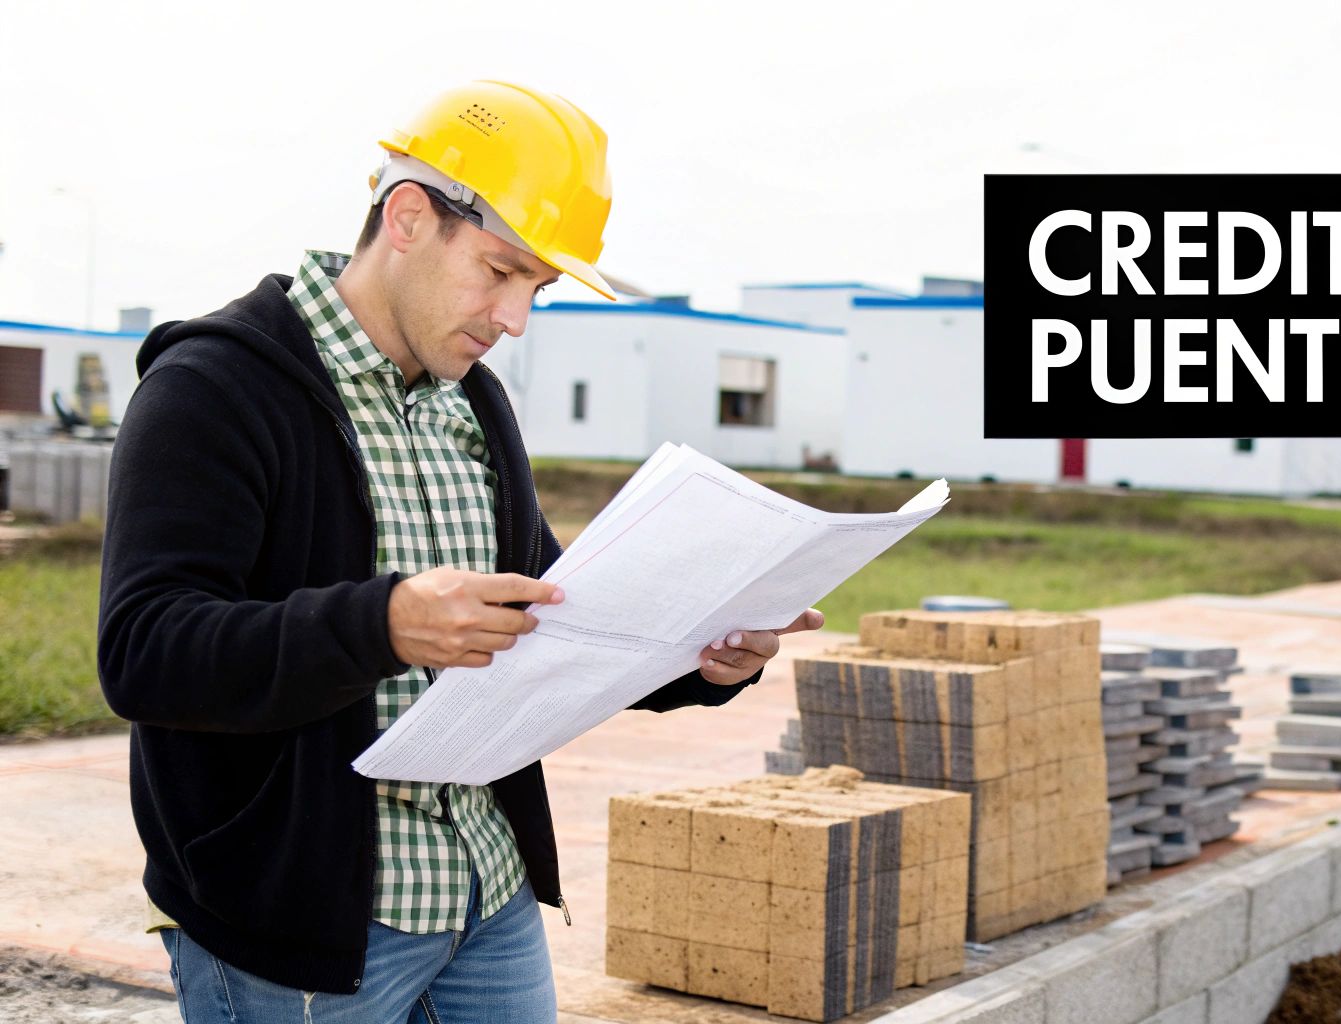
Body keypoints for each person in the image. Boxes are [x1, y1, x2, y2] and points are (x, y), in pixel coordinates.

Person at [97, 79, 822, 1023]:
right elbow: (145, 651)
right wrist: (383, 624)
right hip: (299, 920)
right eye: (500, 271)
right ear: (407, 218)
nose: (514, 318)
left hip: (486, 885)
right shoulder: (212, 388)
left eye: (537, 288)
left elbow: (558, 616)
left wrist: (704, 655)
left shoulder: (472, 401)